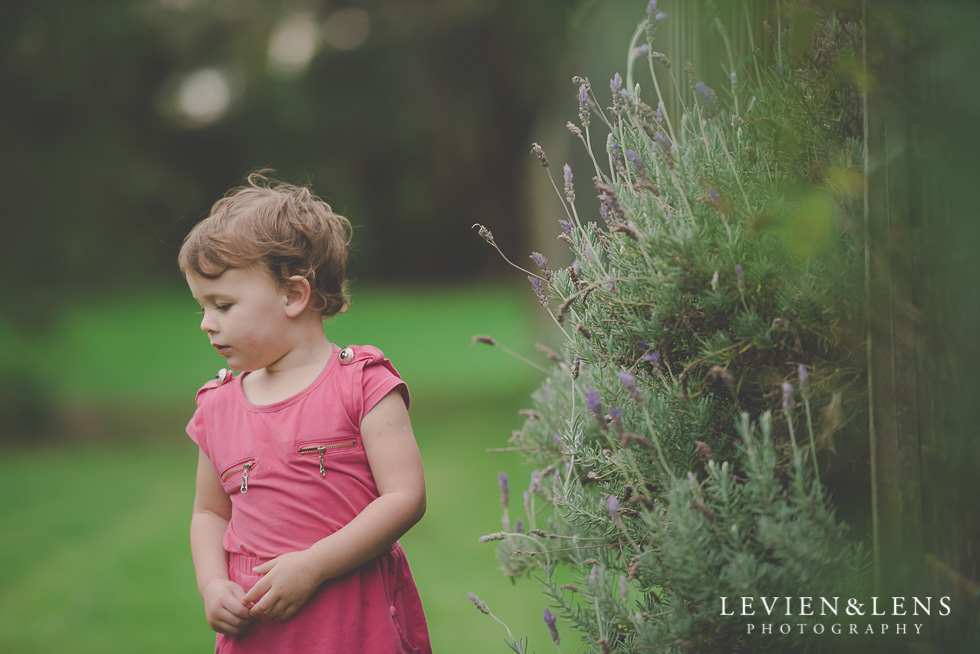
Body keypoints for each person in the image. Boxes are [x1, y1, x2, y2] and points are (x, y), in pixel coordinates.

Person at [177, 172, 431, 653]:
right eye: (202, 308)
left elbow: (405, 497)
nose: (208, 324)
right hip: (261, 632)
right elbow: (210, 512)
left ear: (294, 295)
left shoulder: (362, 384)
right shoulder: (216, 406)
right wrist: (212, 584)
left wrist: (313, 564)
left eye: (224, 304)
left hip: (352, 624)